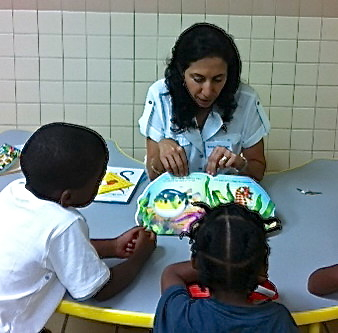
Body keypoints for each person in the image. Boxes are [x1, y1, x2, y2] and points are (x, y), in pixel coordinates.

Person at [0, 123, 156, 333]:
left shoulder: (13, 191)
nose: (102, 183)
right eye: (99, 180)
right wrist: (140, 258)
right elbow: (98, 289)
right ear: (67, 196)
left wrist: (112, 246)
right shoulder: (64, 224)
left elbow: (50, 248)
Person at [139, 23, 270, 182]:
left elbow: (258, 172)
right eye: (198, 79)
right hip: (175, 200)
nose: (208, 91)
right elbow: (153, 174)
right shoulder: (160, 96)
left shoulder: (246, 100)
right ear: (181, 72)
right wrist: (162, 148)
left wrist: (240, 163)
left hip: (225, 200)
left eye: (218, 79)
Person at [153, 203, 298, 332]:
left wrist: (219, 266)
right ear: (263, 268)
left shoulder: (179, 314)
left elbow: (172, 272)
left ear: (196, 263)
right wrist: (240, 268)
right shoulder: (278, 321)